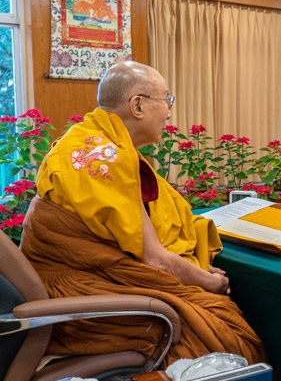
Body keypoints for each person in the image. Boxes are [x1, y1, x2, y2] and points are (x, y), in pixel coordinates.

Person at [21, 61, 266, 366]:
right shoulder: (106, 160)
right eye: (167, 100)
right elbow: (156, 260)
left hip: (80, 282)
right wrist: (210, 281)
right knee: (227, 334)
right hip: (79, 297)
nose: (169, 112)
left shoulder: (89, 142)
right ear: (137, 105)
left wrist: (194, 268)